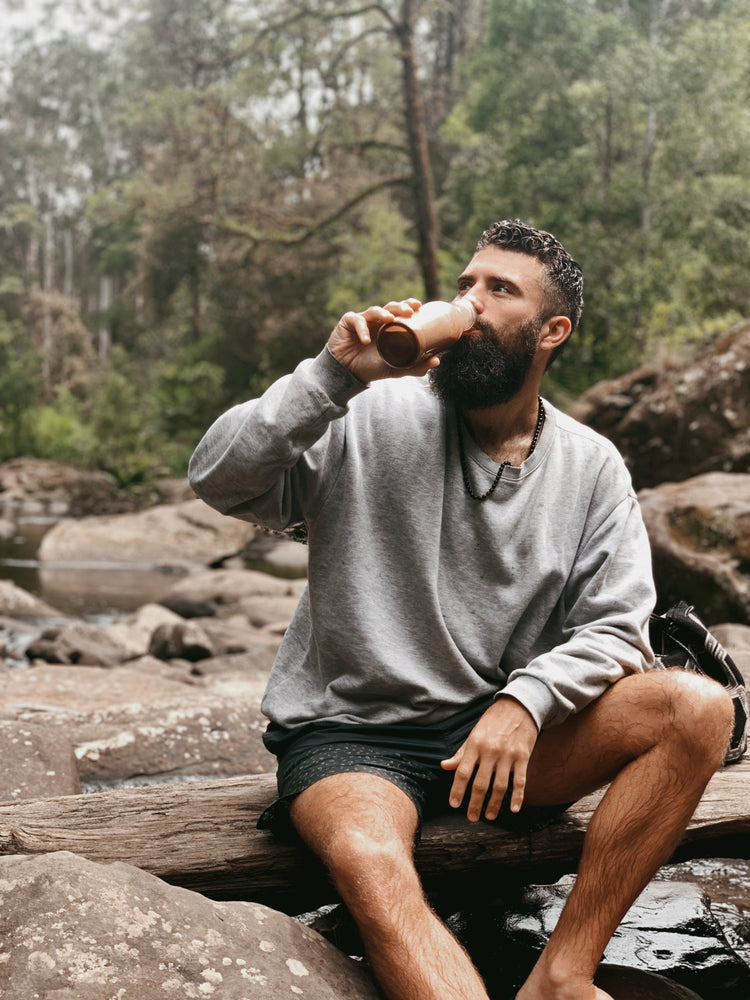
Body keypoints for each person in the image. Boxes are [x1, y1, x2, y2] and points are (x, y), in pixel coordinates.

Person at [188, 219, 733, 1000]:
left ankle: (562, 974)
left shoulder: (591, 466)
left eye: (499, 290)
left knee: (698, 709)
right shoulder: (367, 413)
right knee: (372, 862)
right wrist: (332, 375)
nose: (470, 304)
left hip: (496, 736)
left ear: (551, 332)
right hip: (355, 733)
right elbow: (216, 477)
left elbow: (618, 627)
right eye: (465, 284)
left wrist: (527, 702)